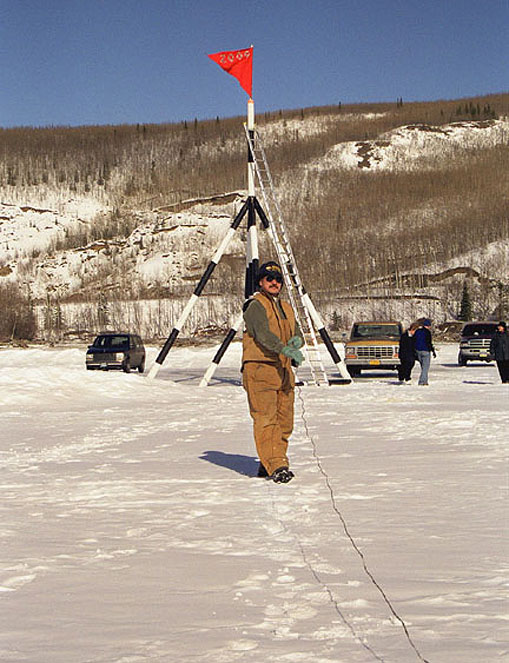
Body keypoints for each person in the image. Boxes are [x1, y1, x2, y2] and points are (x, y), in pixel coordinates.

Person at [242, 261, 304, 484]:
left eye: (278, 280)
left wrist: (296, 343)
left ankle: (268, 460)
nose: (274, 282)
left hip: (284, 369)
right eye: (269, 278)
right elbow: (262, 334)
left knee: (285, 421)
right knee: (266, 418)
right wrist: (284, 348)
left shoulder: (286, 308)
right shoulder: (255, 305)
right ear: (261, 282)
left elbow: (297, 332)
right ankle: (277, 464)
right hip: (261, 368)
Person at [413, 318, 436, 385]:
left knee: (423, 367)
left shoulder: (417, 331)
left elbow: (414, 340)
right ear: (428, 326)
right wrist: (432, 350)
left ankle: (425, 380)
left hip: (417, 351)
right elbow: (428, 342)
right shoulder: (427, 332)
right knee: (425, 368)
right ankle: (422, 381)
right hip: (425, 351)